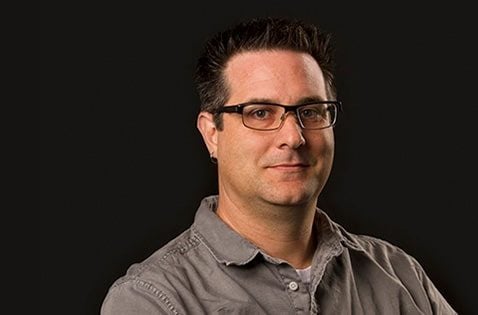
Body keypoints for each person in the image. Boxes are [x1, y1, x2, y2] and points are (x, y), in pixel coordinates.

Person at [101, 16, 457, 314]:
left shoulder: (398, 275)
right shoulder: (152, 300)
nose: (294, 136)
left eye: (311, 112)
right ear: (212, 133)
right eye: (259, 113)